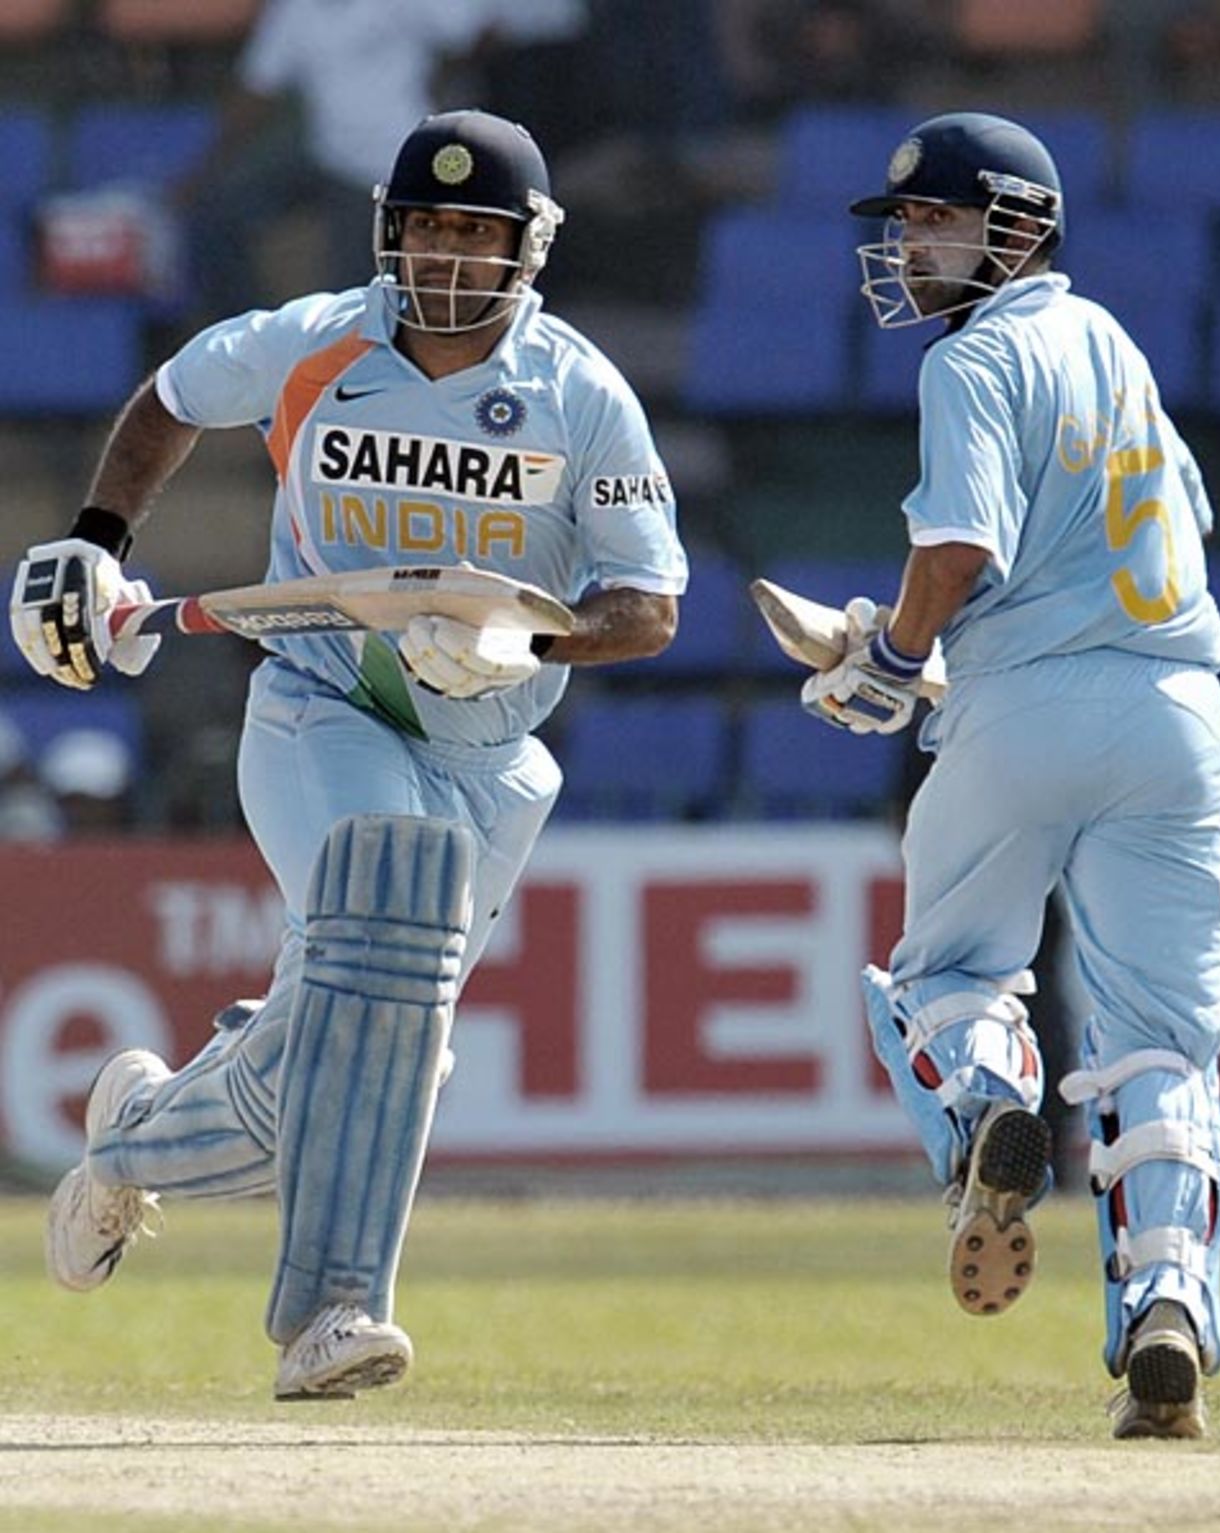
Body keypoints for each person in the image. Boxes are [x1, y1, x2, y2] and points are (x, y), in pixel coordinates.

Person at [9, 109, 686, 1401]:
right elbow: (168, 402)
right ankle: (332, 1312)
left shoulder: (579, 394)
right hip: (326, 706)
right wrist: (99, 538)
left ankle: (131, 1140)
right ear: (390, 233)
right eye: (425, 227)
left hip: (492, 755)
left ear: (526, 249)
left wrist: (526, 645)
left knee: (342, 1064)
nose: (445, 255)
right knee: (392, 929)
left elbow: (647, 606)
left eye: (475, 233)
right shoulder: (316, 342)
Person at [801, 112, 1220, 1438]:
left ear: (1021, 227)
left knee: (943, 975)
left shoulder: (972, 359)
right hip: (1178, 713)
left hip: (1023, 710)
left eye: (938, 219)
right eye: (905, 223)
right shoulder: (1108, 341)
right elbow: (1180, 520)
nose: (911, 245)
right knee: (1162, 1044)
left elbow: (958, 550)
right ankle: (1166, 1306)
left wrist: (891, 658)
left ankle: (991, 1107)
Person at [178, 0, 585, 318]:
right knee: (222, 213)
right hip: (325, 156)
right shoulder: (295, 11)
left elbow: (474, 30)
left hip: (389, 163)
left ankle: (361, 377)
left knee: (349, 289)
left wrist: (447, 82)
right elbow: (256, 92)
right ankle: (247, 330)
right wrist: (201, 172)